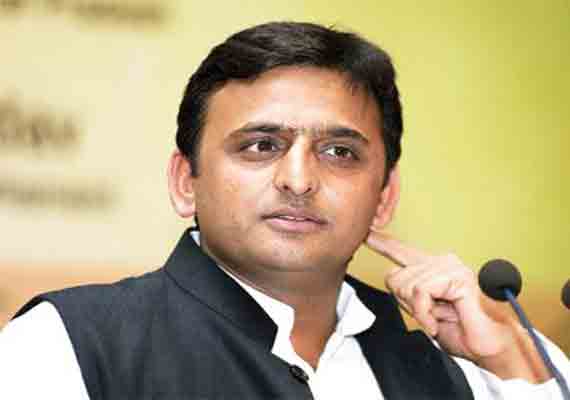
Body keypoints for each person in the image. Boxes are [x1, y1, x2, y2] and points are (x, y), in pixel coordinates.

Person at [1, 21, 569, 399]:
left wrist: (510, 361)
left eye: (339, 152)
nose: (298, 179)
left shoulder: (458, 372)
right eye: (261, 145)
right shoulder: (66, 345)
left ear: (384, 197)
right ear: (184, 181)